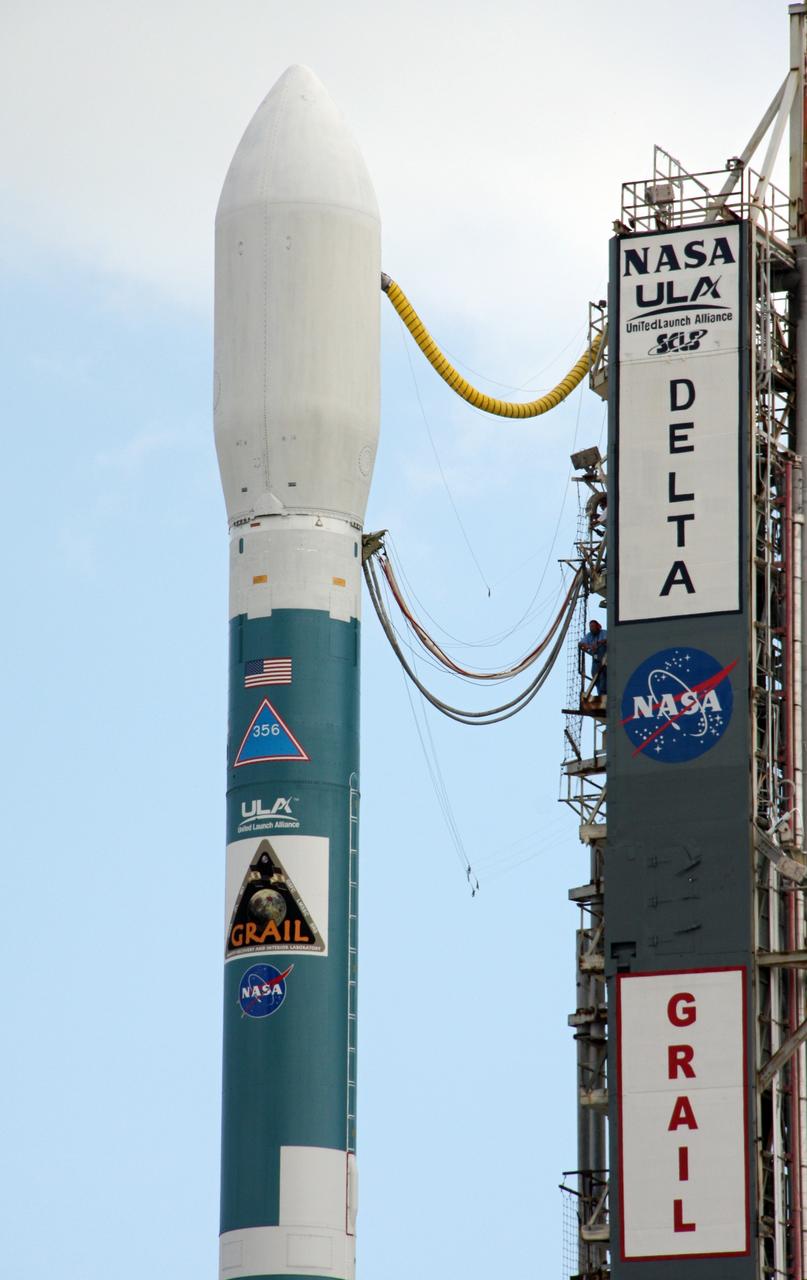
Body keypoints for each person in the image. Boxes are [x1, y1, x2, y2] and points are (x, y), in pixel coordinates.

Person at [579, 618, 607, 700]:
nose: (591, 628)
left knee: (603, 675)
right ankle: (600, 694)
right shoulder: (589, 635)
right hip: (595, 659)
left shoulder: (604, 632)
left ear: (598, 626)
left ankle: (604, 693)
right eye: (590, 627)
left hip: (605, 658)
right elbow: (580, 644)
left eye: (593, 626)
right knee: (595, 674)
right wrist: (589, 646)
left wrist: (598, 644)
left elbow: (608, 640)